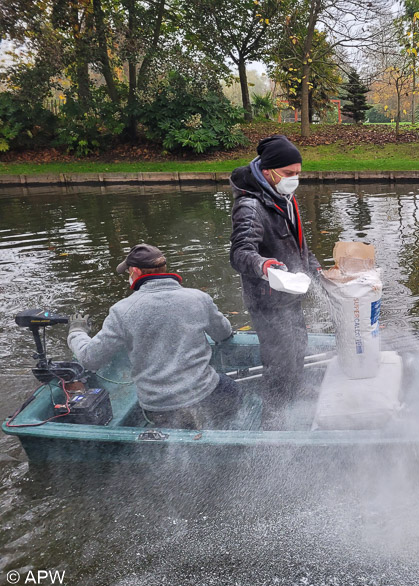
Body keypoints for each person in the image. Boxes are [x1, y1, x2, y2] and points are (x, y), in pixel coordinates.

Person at [67, 243, 241, 430]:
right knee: (232, 390)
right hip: (203, 394)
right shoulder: (198, 298)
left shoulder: (122, 311)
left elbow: (90, 359)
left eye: (128, 273)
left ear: (135, 271)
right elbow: (224, 333)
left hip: (160, 407)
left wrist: (76, 332)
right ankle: (223, 430)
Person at [229, 136, 321, 419]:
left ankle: (297, 387)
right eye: (289, 174)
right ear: (269, 171)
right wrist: (265, 265)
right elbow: (240, 253)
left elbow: (298, 245)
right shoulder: (251, 207)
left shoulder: (284, 198)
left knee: (298, 345)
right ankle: (275, 413)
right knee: (278, 359)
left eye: (298, 173)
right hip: (267, 300)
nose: (294, 179)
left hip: (290, 292)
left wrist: (315, 269)